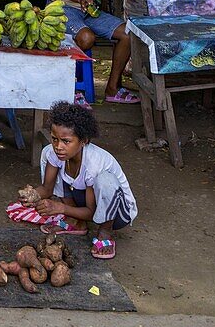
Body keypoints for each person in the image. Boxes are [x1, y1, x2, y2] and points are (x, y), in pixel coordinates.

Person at [29, 100, 137, 258]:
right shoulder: (54, 153)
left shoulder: (94, 163)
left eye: (66, 141)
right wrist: (31, 196)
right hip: (85, 202)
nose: (58, 146)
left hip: (118, 213)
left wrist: (60, 208)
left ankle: (105, 233)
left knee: (105, 180)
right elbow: (47, 189)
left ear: (84, 140)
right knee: (49, 155)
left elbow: (92, 212)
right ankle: (76, 223)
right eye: (54, 139)